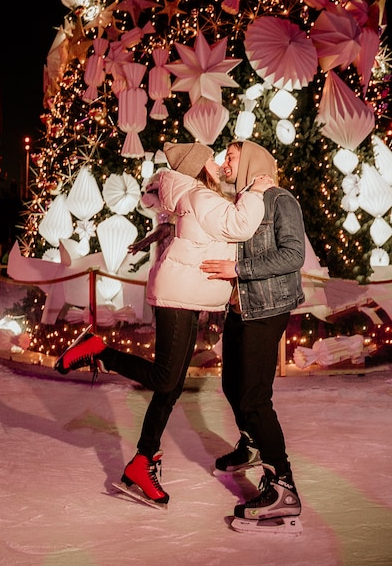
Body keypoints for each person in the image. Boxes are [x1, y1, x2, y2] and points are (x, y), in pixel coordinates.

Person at [54, 141, 273, 506]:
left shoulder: (194, 196)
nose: (219, 165)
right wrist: (256, 191)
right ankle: (98, 351)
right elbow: (240, 224)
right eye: (213, 160)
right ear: (201, 166)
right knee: (165, 378)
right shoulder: (202, 197)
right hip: (178, 297)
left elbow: (187, 228)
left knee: (168, 388)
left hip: (186, 296)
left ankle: (143, 461)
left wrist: (154, 235)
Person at [200, 139, 306, 523]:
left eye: (231, 156)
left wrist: (238, 271)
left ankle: (283, 487)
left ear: (253, 159)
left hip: (268, 307)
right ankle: (250, 446)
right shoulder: (242, 200)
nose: (226, 161)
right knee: (231, 385)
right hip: (239, 308)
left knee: (255, 398)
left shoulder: (279, 199)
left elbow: (294, 254)